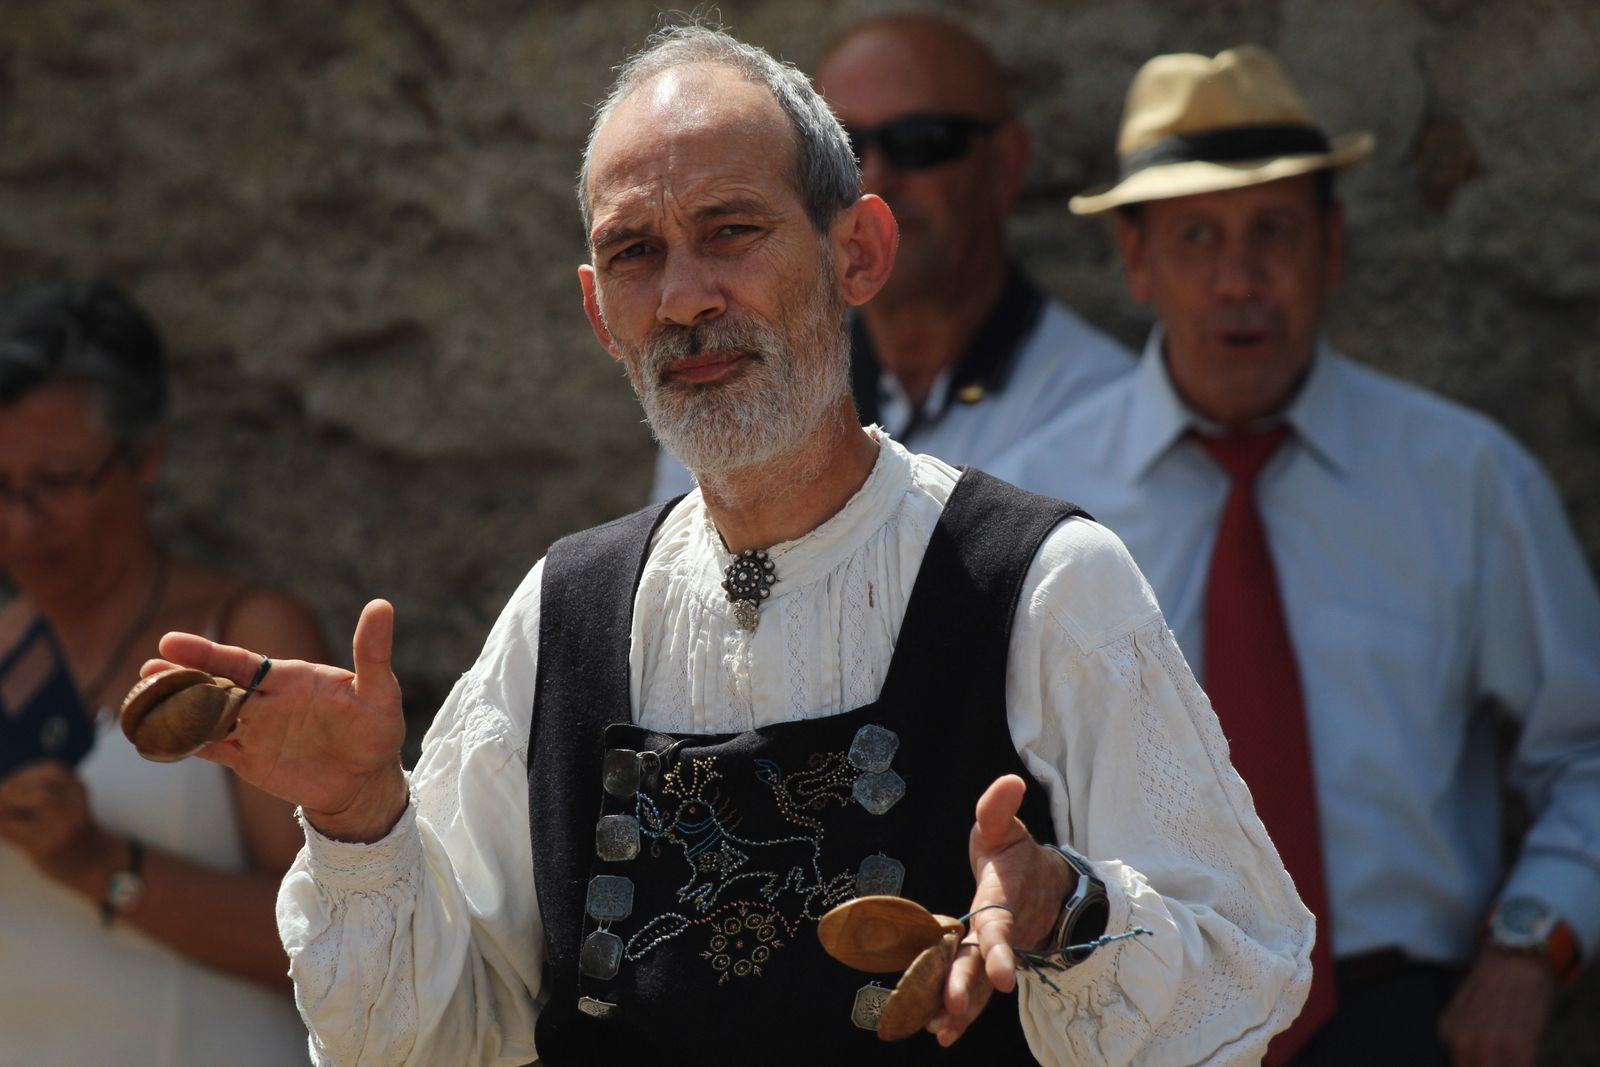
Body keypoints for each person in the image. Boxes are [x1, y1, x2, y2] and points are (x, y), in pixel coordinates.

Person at [150, 26, 1314, 1066]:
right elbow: (437, 1042)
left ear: (856, 251)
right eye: (635, 253)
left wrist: (1066, 906)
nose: (685, 296)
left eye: (731, 231)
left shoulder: (1043, 581)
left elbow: (1241, 977)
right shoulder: (567, 608)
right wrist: (360, 818)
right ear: (599, 313)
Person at [994, 45, 1600, 1067]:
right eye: (1196, 237)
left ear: (1333, 249)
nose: (1240, 280)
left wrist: (1528, 945)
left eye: (1273, 231)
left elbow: (1586, 749)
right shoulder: (1030, 509)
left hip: (1400, 1019)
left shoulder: (1464, 481)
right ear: (1136, 261)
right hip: (1126, 1017)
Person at [0, 281, 331, 1063]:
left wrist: (100, 863)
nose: (20, 521)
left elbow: (345, 932)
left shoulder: (243, 639)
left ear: (144, 457)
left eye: (55, 483)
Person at [649, 14, 1130, 500]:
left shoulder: (1108, 416)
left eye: (921, 142)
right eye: (844, 149)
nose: (874, 177)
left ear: (1005, 165)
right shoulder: (733, 384)